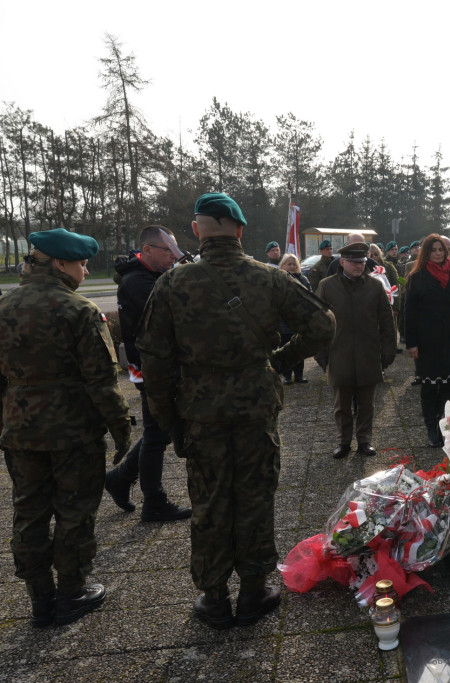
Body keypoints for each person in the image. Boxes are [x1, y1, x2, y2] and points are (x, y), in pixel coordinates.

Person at [137, 193, 334, 629]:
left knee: (208, 501)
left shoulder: (172, 283)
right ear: (240, 230)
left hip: (200, 412)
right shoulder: (269, 278)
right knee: (254, 496)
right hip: (255, 407)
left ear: (195, 230)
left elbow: (154, 360)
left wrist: (170, 421)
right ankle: (252, 592)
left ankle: (213, 597)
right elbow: (322, 324)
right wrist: (279, 359)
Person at [0, 228, 131, 628]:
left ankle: (40, 599)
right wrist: (121, 427)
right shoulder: (79, 310)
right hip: (72, 430)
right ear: (59, 263)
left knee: (29, 510)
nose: (85, 269)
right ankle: (71, 591)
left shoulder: (4, 308)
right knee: (74, 510)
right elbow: (102, 381)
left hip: (20, 429)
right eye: (81, 263)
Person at [104, 226, 192, 522]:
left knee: (160, 430)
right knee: (157, 434)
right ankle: (153, 502)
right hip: (148, 368)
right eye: (168, 250)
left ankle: (120, 478)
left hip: (156, 365)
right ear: (148, 249)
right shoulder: (137, 282)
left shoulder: (150, 276)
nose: (172, 256)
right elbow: (173, 315)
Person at [316, 242, 396, 459]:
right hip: (338, 352)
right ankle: (343, 441)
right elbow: (316, 321)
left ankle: (364, 440)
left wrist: (389, 348)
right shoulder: (326, 285)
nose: (358, 266)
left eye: (361, 262)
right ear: (342, 262)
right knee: (341, 403)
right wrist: (320, 353)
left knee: (366, 403)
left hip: (368, 352)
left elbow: (386, 320)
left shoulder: (375, 286)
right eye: (352, 262)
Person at [404, 234, 450, 447]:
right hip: (427, 341)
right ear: (426, 252)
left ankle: (443, 427)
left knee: (448, 387)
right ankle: (430, 428)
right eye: (433, 250)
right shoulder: (417, 277)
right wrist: (411, 342)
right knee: (429, 387)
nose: (437, 253)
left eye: (440, 249)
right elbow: (409, 312)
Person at [277, 254, 313, 384]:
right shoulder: (278, 279)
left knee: (299, 351)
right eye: (289, 264)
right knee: (285, 350)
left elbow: (310, 296)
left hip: (299, 322)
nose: (291, 266)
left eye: (294, 264)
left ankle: (299, 375)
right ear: (283, 265)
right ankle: (287, 376)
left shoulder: (303, 279)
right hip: (283, 323)